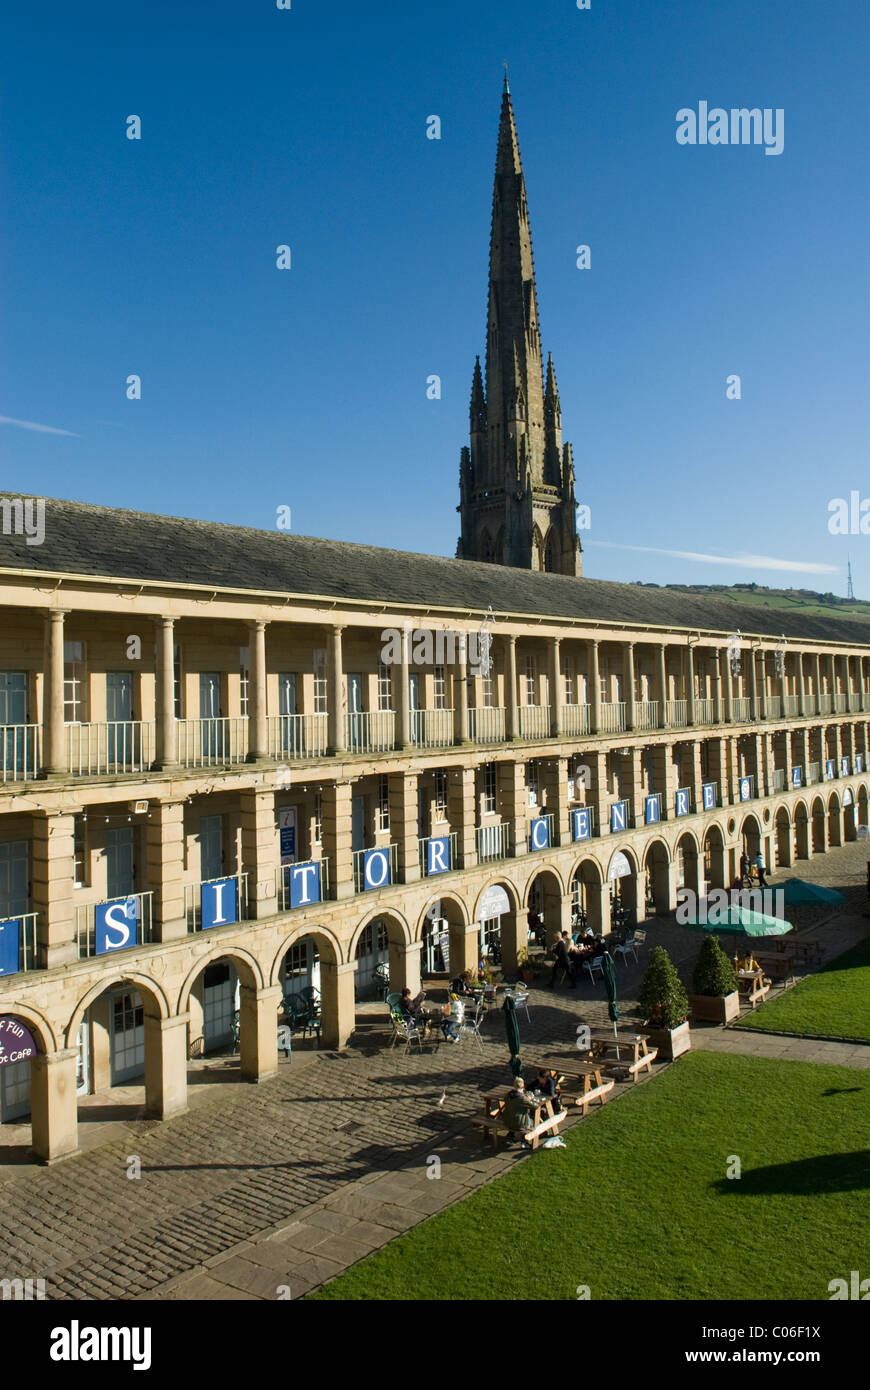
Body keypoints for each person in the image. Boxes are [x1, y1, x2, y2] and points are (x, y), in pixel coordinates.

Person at [501, 1077, 537, 1146]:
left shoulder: (507, 1095)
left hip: (507, 1121)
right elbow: (535, 1106)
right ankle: (524, 1140)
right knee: (533, 1121)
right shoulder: (522, 1098)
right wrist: (530, 1098)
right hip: (519, 1124)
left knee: (514, 1115)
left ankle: (511, 1136)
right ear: (523, 1086)